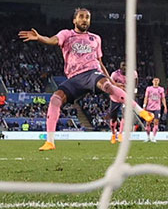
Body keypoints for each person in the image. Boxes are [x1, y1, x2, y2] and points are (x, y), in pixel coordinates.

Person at [17, 8, 153, 151]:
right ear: (74, 20)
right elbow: (53, 40)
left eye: (87, 17)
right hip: (74, 78)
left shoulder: (96, 38)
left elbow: (100, 62)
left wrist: (111, 81)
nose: (84, 20)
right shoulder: (67, 34)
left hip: (91, 73)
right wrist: (40, 38)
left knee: (108, 87)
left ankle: (140, 111)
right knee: (55, 99)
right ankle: (50, 142)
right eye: (81, 17)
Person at [107, 60, 137, 144]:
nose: (124, 67)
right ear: (120, 67)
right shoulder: (115, 74)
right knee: (113, 117)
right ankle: (113, 133)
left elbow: (135, 84)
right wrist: (119, 87)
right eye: (123, 65)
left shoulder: (133, 73)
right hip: (116, 96)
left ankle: (120, 134)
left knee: (125, 114)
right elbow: (110, 85)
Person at [143, 77, 167, 142]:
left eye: (157, 80)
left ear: (159, 82)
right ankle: (148, 137)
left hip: (157, 108)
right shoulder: (149, 88)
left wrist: (165, 106)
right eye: (155, 80)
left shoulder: (161, 89)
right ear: (152, 81)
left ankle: (153, 137)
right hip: (149, 108)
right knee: (148, 123)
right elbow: (146, 97)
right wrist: (144, 105)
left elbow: (163, 98)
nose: (156, 81)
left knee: (156, 122)